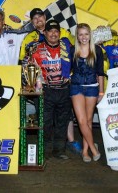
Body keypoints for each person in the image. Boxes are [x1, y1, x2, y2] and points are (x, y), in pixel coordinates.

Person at [20, 8, 81, 154]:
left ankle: (59, 151)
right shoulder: (35, 48)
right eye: (50, 31)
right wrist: (32, 85)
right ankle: (45, 150)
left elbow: (81, 57)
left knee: (62, 122)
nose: (53, 34)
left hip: (64, 89)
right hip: (45, 91)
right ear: (45, 33)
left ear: (59, 33)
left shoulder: (68, 47)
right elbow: (26, 68)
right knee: (46, 122)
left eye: (56, 31)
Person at [70, 23, 104, 162]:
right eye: (81, 34)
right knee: (82, 121)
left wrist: (101, 92)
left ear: (90, 35)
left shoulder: (97, 50)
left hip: (92, 87)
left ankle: (85, 151)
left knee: (89, 121)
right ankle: (93, 148)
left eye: (86, 34)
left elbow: (100, 72)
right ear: (77, 36)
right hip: (76, 87)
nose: (84, 37)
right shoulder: (72, 50)